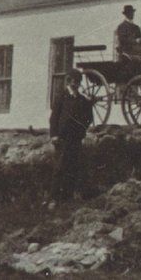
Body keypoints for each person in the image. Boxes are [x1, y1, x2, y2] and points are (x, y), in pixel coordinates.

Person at [47, 70, 94, 208]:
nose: (75, 84)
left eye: (78, 81)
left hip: (75, 138)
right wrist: (54, 135)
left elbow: (88, 117)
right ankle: (53, 199)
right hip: (62, 138)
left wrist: (82, 129)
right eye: (73, 81)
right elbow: (54, 118)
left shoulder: (81, 99)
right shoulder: (61, 97)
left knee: (73, 166)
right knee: (59, 167)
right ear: (68, 81)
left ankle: (68, 197)